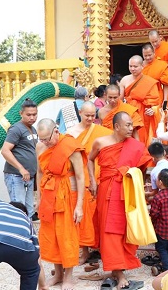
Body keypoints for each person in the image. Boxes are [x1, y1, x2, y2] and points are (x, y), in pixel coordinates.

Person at [87, 111, 152, 289]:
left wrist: (138, 184)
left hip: (127, 192)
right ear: (117, 127)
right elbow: (89, 160)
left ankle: (118, 267)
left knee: (125, 228)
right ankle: (118, 272)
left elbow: (142, 168)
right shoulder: (100, 142)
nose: (132, 128)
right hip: (107, 190)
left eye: (132, 125)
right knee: (109, 230)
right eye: (128, 125)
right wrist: (93, 181)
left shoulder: (136, 146)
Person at [36, 118, 86, 290]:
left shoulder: (70, 146)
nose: (45, 143)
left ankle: (68, 276)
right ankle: (57, 274)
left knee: (67, 237)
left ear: (56, 131)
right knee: (51, 237)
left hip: (66, 196)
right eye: (41, 139)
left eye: (47, 139)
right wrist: (38, 198)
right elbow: (39, 172)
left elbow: (80, 177)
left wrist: (79, 206)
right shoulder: (41, 147)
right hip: (48, 196)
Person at [66, 101, 112, 265]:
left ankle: (101, 247)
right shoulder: (71, 133)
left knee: (100, 214)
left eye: (93, 115)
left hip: (100, 175)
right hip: (81, 179)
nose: (91, 119)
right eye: (87, 115)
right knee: (83, 216)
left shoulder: (101, 132)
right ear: (80, 113)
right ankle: (84, 250)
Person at [1, 98, 38, 220]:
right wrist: (21, 168)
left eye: (34, 114)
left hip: (29, 176)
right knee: (19, 209)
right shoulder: (16, 129)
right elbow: (5, 151)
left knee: (30, 211)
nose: (32, 117)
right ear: (21, 114)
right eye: (28, 115)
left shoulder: (33, 129)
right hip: (16, 176)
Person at [119, 55, 161, 146]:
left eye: (135, 66)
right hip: (129, 112)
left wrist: (153, 109)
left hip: (144, 114)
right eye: (130, 66)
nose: (132, 69)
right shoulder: (124, 80)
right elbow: (120, 100)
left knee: (142, 136)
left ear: (142, 66)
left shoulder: (149, 81)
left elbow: (156, 101)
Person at [149, 169, 168, 274]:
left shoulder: (158, 197)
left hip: (162, 229)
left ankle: (166, 269)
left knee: (162, 249)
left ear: (160, 182)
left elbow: (154, 214)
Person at [141, 43, 168, 115]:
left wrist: (165, 100)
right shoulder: (139, 66)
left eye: (149, 55)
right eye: (145, 56)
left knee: (157, 119)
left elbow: (166, 85)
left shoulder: (161, 65)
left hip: (156, 97)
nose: (147, 58)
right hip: (142, 98)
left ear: (154, 53)